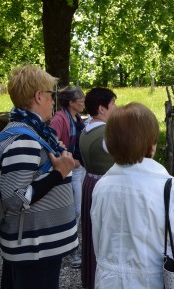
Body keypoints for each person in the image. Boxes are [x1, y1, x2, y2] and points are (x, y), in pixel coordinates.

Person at [90, 102, 174, 288]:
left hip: (107, 282)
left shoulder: (101, 186)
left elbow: (99, 242)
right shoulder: (170, 190)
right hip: (153, 282)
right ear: (152, 144)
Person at [0, 65, 77, 288]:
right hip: (35, 247)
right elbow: (15, 198)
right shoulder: (24, 139)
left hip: (36, 244)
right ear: (39, 96)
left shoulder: (32, 133)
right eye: (52, 95)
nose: (54, 101)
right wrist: (59, 173)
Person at [78, 87, 117, 289]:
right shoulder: (105, 134)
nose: (116, 108)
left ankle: (92, 277)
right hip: (105, 188)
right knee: (106, 236)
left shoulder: (87, 128)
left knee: (94, 233)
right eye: (113, 104)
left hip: (90, 183)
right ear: (102, 108)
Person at [49, 86, 86, 268]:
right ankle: (70, 250)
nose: (84, 102)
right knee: (74, 210)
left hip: (79, 168)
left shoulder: (77, 118)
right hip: (70, 169)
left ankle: (71, 246)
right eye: (81, 100)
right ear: (71, 103)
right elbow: (51, 144)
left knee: (77, 209)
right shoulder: (59, 119)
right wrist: (70, 160)